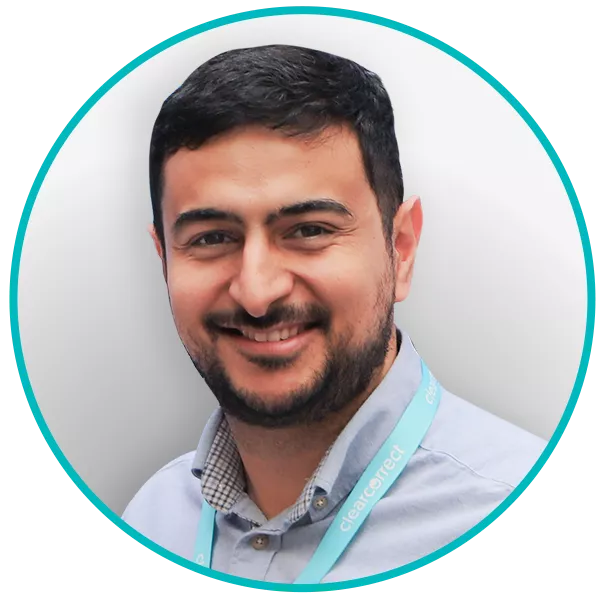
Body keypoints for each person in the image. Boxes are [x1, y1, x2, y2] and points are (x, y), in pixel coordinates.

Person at [122, 44, 545, 584]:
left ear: (401, 249)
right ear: (164, 259)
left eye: (309, 230)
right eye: (211, 238)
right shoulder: (151, 520)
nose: (257, 293)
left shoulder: (532, 527)